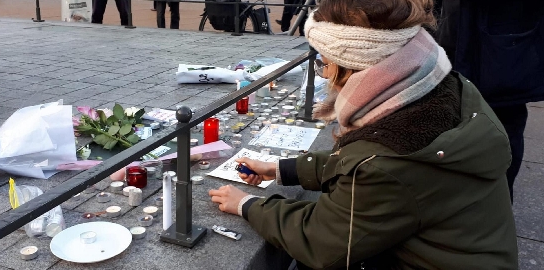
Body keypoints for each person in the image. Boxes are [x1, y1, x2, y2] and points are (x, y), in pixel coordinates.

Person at [208, 0, 518, 269]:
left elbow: (320, 240)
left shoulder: (389, 157)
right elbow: (363, 161)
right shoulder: (435, 85)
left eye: (325, 63)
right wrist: (282, 169)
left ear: (355, 67)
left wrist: (247, 205)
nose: (325, 75)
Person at [434, 0, 544, 201]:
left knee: (503, 127)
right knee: (446, 121)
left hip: (502, 46)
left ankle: (497, 205)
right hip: (452, 33)